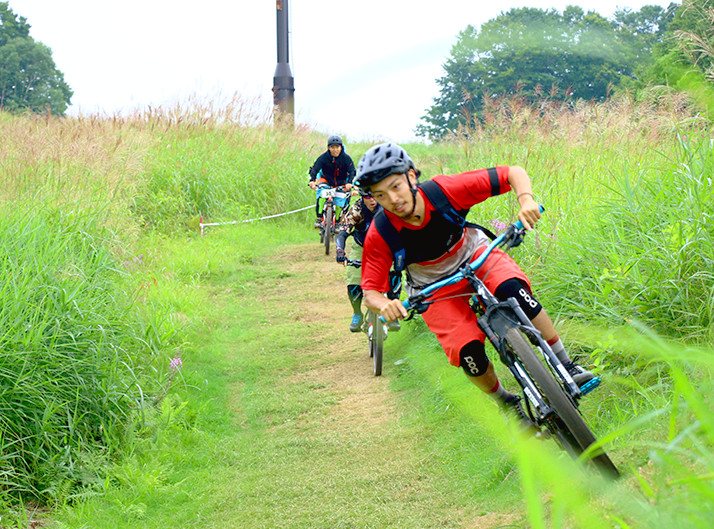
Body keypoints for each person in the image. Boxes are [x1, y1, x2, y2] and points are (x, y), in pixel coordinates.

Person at [355, 142, 594, 420]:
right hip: (432, 286)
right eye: (381, 196)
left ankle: (567, 365)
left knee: (513, 292)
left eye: (395, 186)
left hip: (475, 254)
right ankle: (506, 403)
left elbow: (511, 173)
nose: (393, 200)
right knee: (469, 353)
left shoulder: (444, 191)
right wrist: (384, 304)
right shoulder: (380, 232)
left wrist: (526, 200)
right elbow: (370, 291)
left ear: (411, 176)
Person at [335, 187, 402, 332]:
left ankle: (393, 312)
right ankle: (357, 314)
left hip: (385, 247)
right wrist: (340, 251)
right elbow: (342, 233)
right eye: (368, 197)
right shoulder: (356, 210)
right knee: (354, 282)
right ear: (362, 197)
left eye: (375, 196)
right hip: (362, 247)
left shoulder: (387, 208)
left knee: (394, 274)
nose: (372, 200)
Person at [308, 135, 356, 228]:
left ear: (341, 147)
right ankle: (319, 218)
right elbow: (315, 169)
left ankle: (337, 221)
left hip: (341, 182)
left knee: (340, 201)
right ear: (328, 148)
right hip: (326, 180)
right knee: (321, 195)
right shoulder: (323, 157)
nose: (335, 150)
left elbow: (352, 171)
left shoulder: (346, 158)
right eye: (332, 147)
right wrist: (312, 180)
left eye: (337, 147)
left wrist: (349, 182)